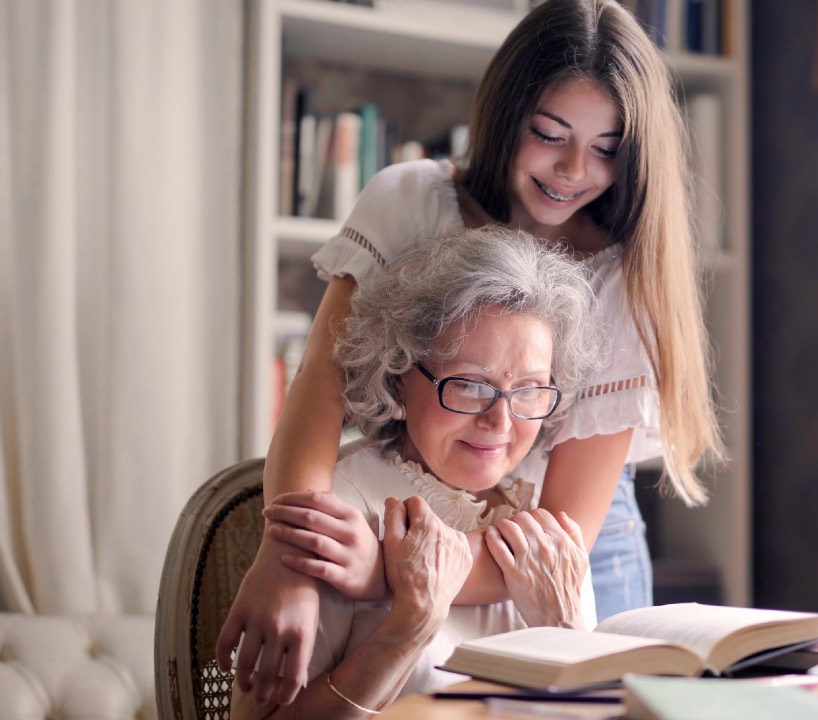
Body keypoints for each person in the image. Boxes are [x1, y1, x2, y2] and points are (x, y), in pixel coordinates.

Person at [218, 0, 727, 706]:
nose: (574, 169)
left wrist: (379, 574)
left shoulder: (621, 278)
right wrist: (291, 557)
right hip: (411, 503)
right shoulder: (411, 203)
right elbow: (318, 387)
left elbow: (565, 531)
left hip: (563, 543)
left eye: (608, 148)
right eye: (549, 134)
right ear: (504, 116)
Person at [230, 227, 601, 718]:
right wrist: (407, 631)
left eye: (531, 389)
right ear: (400, 374)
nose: (501, 421)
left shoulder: (546, 535)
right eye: (470, 385)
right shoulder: (339, 512)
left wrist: (566, 632)